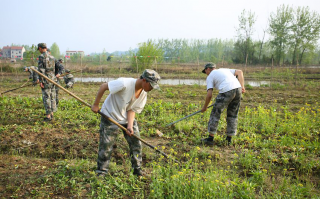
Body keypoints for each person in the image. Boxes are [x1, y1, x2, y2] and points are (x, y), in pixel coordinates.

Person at [91, 69, 161, 177]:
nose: (151, 88)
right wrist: (95, 105)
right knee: (106, 146)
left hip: (126, 118)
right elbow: (103, 86)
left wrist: (129, 125)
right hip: (110, 115)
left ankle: (137, 170)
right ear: (144, 81)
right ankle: (101, 172)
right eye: (151, 85)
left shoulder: (143, 93)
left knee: (136, 143)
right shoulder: (124, 83)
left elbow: (132, 109)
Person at [200, 63, 245, 146]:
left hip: (226, 90)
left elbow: (209, 95)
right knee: (232, 115)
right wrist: (242, 87)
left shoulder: (210, 76)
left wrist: (205, 107)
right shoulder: (224, 70)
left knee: (215, 113)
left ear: (208, 69)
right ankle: (229, 140)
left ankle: (210, 139)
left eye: (205, 71)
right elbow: (240, 72)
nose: (205, 73)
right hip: (238, 90)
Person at [35, 43, 57, 121]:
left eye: (39, 49)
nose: (39, 51)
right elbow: (54, 69)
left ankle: (48, 115)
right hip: (53, 78)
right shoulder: (52, 57)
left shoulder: (41, 57)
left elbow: (41, 70)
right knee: (52, 96)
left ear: (40, 48)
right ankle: (52, 113)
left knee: (46, 97)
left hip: (46, 78)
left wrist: (41, 81)